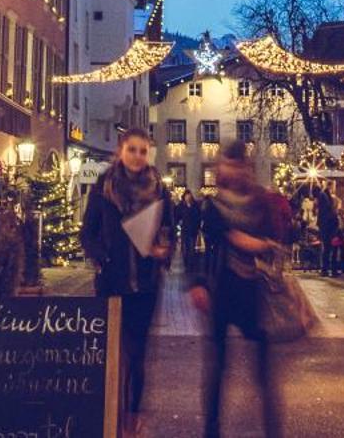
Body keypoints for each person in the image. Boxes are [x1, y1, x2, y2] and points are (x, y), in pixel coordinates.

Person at [187, 140, 290, 438]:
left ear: (246, 167)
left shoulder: (261, 202)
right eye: (227, 163)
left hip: (255, 291)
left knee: (264, 372)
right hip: (221, 289)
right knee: (216, 367)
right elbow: (198, 247)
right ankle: (212, 430)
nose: (232, 169)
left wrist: (261, 243)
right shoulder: (212, 205)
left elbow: (276, 236)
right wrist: (197, 283)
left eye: (238, 164)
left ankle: (273, 430)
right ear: (221, 167)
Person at [80, 127, 172, 435]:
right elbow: (88, 233)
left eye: (143, 151)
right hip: (111, 282)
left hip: (145, 283)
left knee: (137, 354)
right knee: (110, 351)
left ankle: (132, 417)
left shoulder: (159, 187)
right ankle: (108, 412)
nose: (137, 156)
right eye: (132, 149)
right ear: (121, 150)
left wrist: (163, 248)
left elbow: (169, 227)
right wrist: (103, 258)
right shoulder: (105, 185)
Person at [315, 185, 344, 276]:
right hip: (331, 230)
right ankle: (334, 270)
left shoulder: (322, 207)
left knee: (327, 250)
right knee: (334, 249)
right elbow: (333, 219)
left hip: (326, 229)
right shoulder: (329, 207)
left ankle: (325, 270)